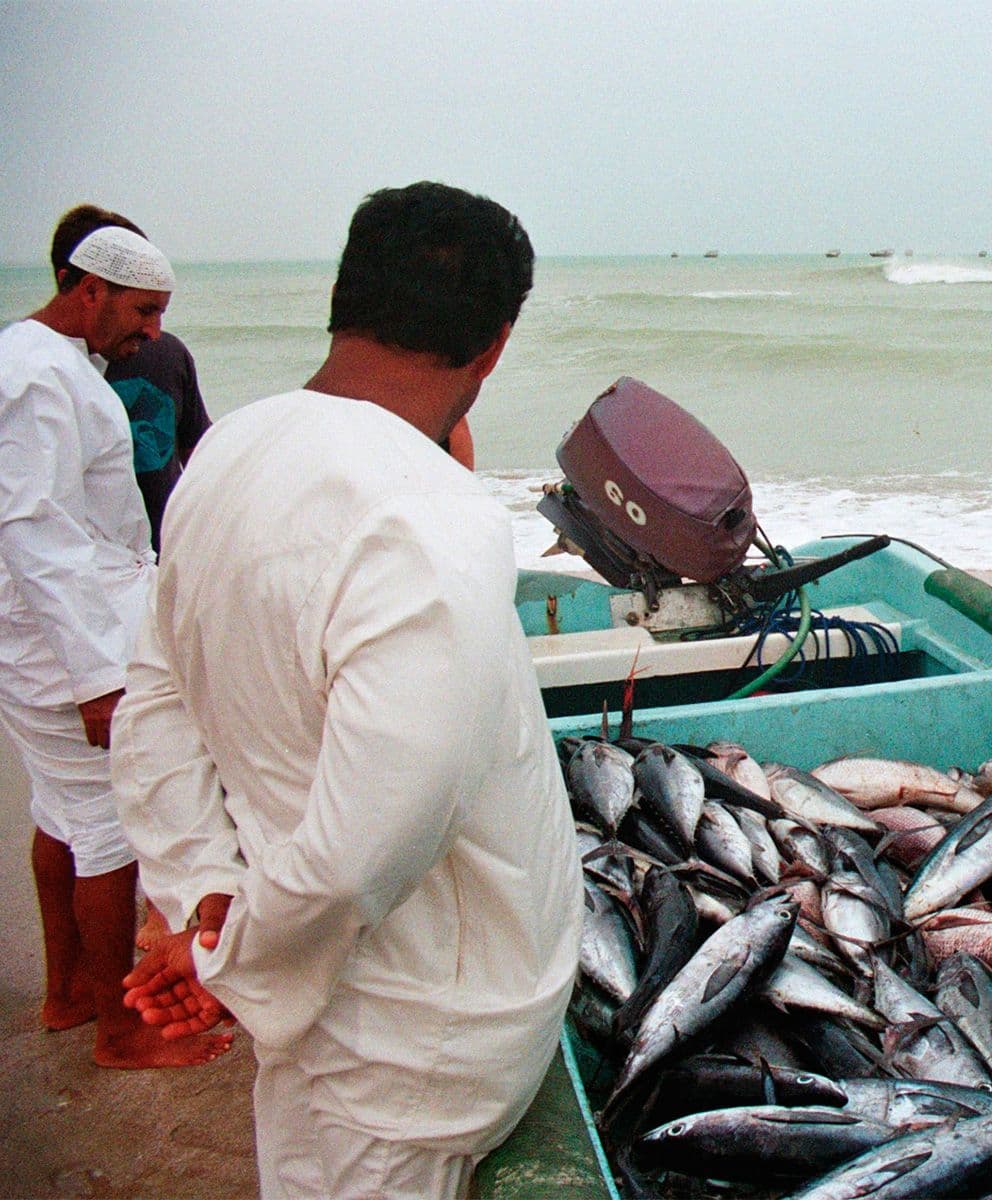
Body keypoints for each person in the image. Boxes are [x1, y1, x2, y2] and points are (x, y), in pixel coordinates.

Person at [112, 181, 579, 1197]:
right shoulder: (431, 520)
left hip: (319, 1002)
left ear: (343, 300)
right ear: (495, 344)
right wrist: (227, 960)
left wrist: (206, 903)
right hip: (420, 1047)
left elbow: (157, 701)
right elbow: (372, 837)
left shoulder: (228, 450)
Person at [0, 208, 232, 1069]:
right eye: (141, 310)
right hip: (62, 646)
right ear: (85, 288)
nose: (153, 333)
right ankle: (119, 1027)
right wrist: (96, 674)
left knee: (59, 816)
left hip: (59, 635)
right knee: (105, 830)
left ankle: (66, 994)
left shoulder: (56, 365)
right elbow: (34, 529)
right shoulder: (36, 377)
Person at [105, 329, 212, 552]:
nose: (152, 329)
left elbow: (201, 457)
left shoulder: (167, 353)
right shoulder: (53, 372)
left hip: (171, 545)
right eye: (145, 310)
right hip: (89, 560)